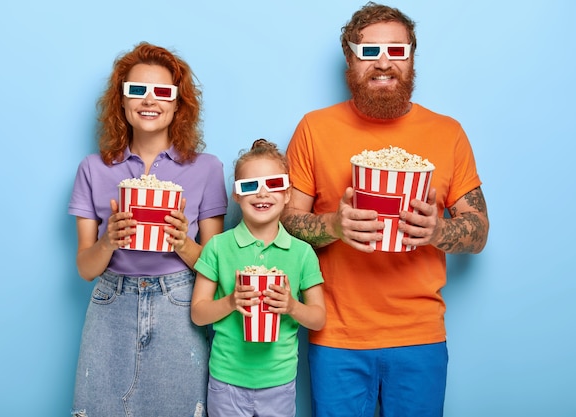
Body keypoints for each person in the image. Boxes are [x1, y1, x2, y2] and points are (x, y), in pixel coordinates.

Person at [281, 3, 490, 417]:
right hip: (337, 335)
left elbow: (480, 230)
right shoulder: (314, 128)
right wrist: (334, 226)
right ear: (349, 58)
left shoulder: (447, 133)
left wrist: (437, 231)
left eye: (397, 50)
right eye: (368, 51)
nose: (383, 62)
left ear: (412, 58)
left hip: (420, 336)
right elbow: (284, 223)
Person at [68, 42, 227, 417]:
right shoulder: (94, 169)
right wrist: (109, 240)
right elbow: (85, 268)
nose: (149, 100)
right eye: (136, 90)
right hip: (111, 303)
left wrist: (182, 244)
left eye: (162, 91)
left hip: (179, 305)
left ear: (177, 104)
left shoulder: (206, 168)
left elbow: (218, 267)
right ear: (121, 102)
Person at [191, 139, 326, 417]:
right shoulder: (217, 246)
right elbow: (198, 313)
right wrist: (231, 301)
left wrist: (291, 306)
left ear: (288, 193)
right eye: (250, 186)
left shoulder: (302, 253)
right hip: (226, 380)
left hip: (279, 381)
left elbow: (318, 318)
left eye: (274, 184)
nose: (262, 194)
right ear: (236, 195)